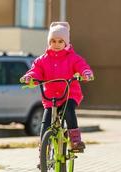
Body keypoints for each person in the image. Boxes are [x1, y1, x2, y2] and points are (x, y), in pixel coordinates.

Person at [20, 21, 94, 151]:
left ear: (66, 43)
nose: (56, 44)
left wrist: (85, 73)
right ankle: (43, 150)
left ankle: (75, 141)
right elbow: (36, 70)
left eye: (60, 41)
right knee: (45, 122)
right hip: (50, 97)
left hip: (69, 94)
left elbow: (82, 66)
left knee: (69, 111)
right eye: (53, 41)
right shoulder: (42, 60)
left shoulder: (73, 58)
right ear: (49, 42)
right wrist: (30, 77)